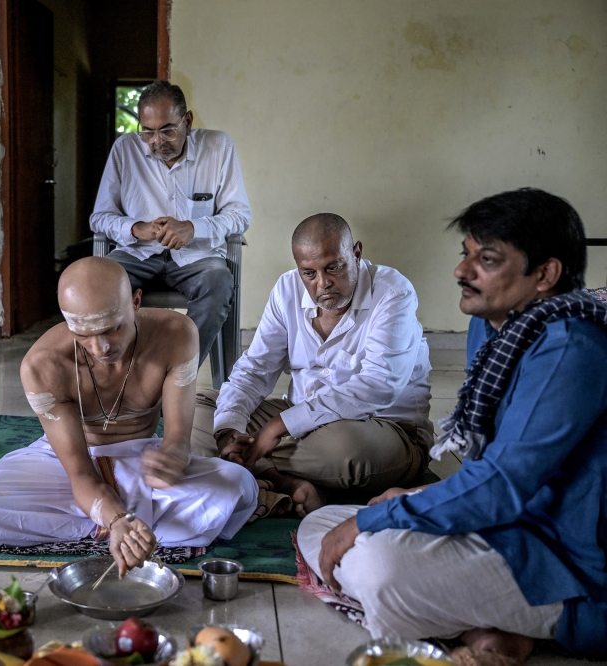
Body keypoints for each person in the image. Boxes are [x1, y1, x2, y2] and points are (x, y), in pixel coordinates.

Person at [299, 189, 607, 664]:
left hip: (565, 564)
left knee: (380, 563)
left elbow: (500, 486)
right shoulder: (493, 326)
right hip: (506, 527)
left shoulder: (569, 349)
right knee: (321, 524)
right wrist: (414, 503)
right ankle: (490, 623)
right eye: (465, 255)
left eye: (486, 259)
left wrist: (373, 519)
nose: (462, 272)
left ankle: (528, 622)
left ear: (545, 274)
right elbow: (490, 471)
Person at [0, 257, 257, 574]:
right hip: (63, 466)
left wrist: (172, 461)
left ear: (135, 302)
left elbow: (178, 440)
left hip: (142, 460)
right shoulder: (42, 364)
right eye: (83, 334)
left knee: (240, 486)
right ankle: (130, 529)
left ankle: (109, 528)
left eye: (113, 329)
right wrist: (116, 518)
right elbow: (80, 474)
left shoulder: (176, 333)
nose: (101, 348)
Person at [194, 214, 432, 517]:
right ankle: (285, 480)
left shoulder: (392, 292)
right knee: (196, 410)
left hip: (382, 431)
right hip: (302, 428)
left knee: (346, 450)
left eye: (333, 267)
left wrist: (279, 426)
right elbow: (254, 370)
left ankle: (247, 468)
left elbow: (378, 385)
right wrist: (229, 430)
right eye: (309, 273)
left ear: (356, 253)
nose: (323, 283)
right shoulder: (286, 289)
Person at [89, 80, 251, 366]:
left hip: (198, 258)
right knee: (99, 283)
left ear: (187, 121)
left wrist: (193, 228)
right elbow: (100, 217)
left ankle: (178, 373)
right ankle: (119, 375)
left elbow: (239, 215)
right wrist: (135, 228)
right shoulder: (124, 150)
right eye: (148, 131)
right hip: (136, 253)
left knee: (218, 282)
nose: (157, 141)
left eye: (167, 130)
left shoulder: (218, 146)